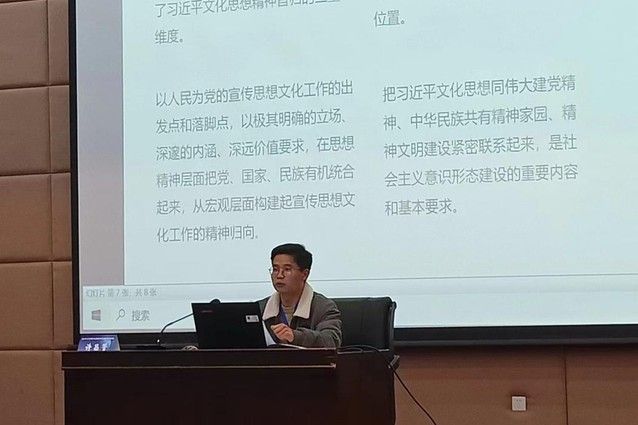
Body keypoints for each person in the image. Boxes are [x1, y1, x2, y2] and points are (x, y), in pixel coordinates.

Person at [260, 243, 342, 348]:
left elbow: (331, 340)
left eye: (287, 269)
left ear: (305, 274)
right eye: (275, 269)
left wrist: (295, 336)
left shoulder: (323, 307)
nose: (279, 275)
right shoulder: (261, 308)